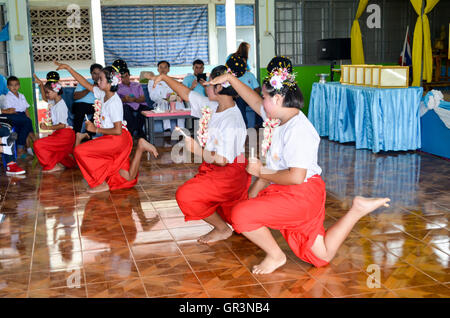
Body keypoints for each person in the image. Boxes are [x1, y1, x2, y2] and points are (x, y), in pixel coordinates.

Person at [208, 65, 391, 274]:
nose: (262, 103)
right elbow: (253, 99)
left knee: (240, 214)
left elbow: (296, 177)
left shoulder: (299, 130)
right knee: (321, 256)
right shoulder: (278, 119)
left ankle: (276, 256)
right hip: (289, 190)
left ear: (277, 100)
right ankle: (357, 209)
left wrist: (260, 172)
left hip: (301, 194)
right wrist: (230, 78)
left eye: (265, 98)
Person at [148, 60, 250, 244]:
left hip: (229, 173)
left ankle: (222, 229)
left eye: (209, 83)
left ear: (220, 88)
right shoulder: (213, 106)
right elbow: (186, 93)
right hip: (213, 167)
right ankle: (224, 225)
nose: (205, 86)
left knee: (186, 196)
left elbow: (224, 160)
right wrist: (164, 77)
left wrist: (197, 150)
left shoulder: (232, 120)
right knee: (221, 208)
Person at [55, 61, 159, 193]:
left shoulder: (114, 102)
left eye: (101, 79)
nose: (98, 81)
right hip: (112, 138)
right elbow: (84, 83)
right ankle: (140, 147)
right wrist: (69, 68)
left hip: (117, 139)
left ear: (110, 82)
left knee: (80, 151)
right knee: (127, 179)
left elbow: (117, 130)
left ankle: (101, 182)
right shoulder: (102, 93)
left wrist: (95, 129)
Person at [33, 80, 76, 172]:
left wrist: (47, 128)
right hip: (60, 134)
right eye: (45, 92)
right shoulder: (54, 102)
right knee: (49, 148)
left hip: (65, 134)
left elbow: (62, 125)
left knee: (38, 144)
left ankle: (53, 165)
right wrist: (41, 85)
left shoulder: (60, 105)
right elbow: (45, 98)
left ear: (56, 91)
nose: (46, 94)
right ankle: (58, 163)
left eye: (48, 92)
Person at [2, 76, 36, 158]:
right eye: (11, 85)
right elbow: (11, 110)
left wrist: (29, 118)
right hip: (14, 115)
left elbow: (26, 108)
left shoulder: (21, 95)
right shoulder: (7, 97)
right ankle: (31, 144)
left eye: (16, 85)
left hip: (23, 115)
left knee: (26, 125)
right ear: (8, 87)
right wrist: (27, 120)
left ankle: (27, 149)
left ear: (19, 85)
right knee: (28, 128)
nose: (14, 87)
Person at [147, 60, 185, 131]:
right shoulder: (152, 81)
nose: (163, 70)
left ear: (168, 69)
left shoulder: (172, 81)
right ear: (158, 69)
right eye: (161, 67)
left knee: (179, 102)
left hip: (173, 102)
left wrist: (176, 97)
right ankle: (166, 129)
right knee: (164, 103)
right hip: (160, 102)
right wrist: (166, 98)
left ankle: (181, 129)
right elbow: (153, 96)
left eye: (165, 67)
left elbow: (177, 93)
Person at [226, 55, 261, 128]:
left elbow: (257, 89)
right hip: (239, 98)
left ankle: (259, 124)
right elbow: (228, 91)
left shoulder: (250, 75)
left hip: (251, 97)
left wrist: (252, 95)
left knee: (260, 100)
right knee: (240, 100)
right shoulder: (231, 77)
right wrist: (234, 95)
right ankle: (244, 124)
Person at [117, 68, 151, 138]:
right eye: (122, 77)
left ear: (129, 76)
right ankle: (136, 130)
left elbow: (143, 98)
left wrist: (135, 99)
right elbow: (117, 101)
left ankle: (134, 130)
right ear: (120, 78)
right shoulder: (118, 87)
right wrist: (125, 99)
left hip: (139, 104)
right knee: (125, 109)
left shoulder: (137, 85)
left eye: (126, 76)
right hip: (127, 105)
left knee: (146, 109)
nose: (124, 78)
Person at [71, 63, 103, 137]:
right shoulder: (85, 82)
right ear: (91, 73)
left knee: (99, 110)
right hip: (80, 104)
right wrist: (90, 88)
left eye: (99, 73)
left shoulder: (103, 84)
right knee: (81, 108)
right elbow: (75, 96)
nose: (97, 76)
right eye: (95, 73)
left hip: (95, 106)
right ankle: (76, 134)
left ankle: (88, 135)